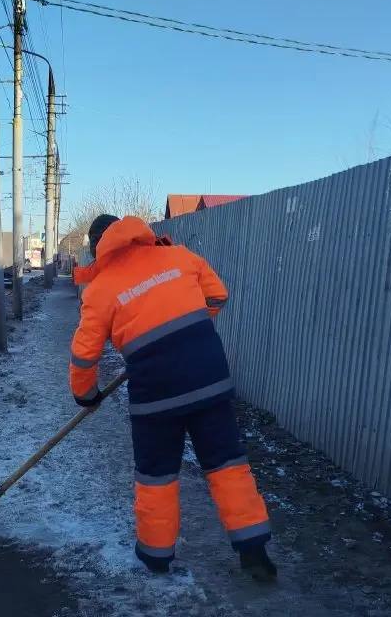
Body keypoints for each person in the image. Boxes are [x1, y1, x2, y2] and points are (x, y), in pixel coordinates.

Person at [70, 214, 277, 580]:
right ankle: (253, 549)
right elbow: (217, 295)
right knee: (228, 465)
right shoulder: (180, 256)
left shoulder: (101, 289)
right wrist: (188, 330)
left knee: (157, 476)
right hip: (209, 379)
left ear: (96, 248)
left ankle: (156, 555)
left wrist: (86, 396)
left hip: (155, 397)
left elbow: (85, 354)